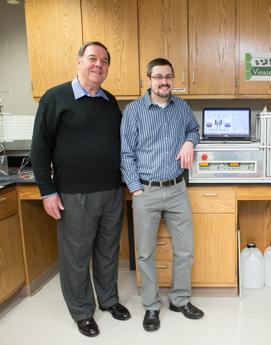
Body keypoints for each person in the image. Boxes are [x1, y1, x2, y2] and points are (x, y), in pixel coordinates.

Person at [31, 41, 131, 337]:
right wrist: (48, 191)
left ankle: (109, 300)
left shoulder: (109, 101)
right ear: (78, 62)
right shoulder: (55, 98)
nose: (98, 64)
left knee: (107, 252)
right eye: (92, 58)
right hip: (74, 195)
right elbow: (40, 149)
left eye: (104, 60)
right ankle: (82, 311)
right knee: (76, 257)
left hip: (112, 191)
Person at [121, 58, 204, 332]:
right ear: (148, 79)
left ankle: (179, 300)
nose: (164, 81)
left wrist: (191, 141)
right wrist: (135, 188)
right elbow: (126, 154)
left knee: (185, 250)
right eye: (158, 77)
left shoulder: (181, 107)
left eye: (168, 76)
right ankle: (151, 307)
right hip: (145, 190)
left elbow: (194, 129)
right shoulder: (133, 111)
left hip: (177, 189)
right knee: (145, 254)